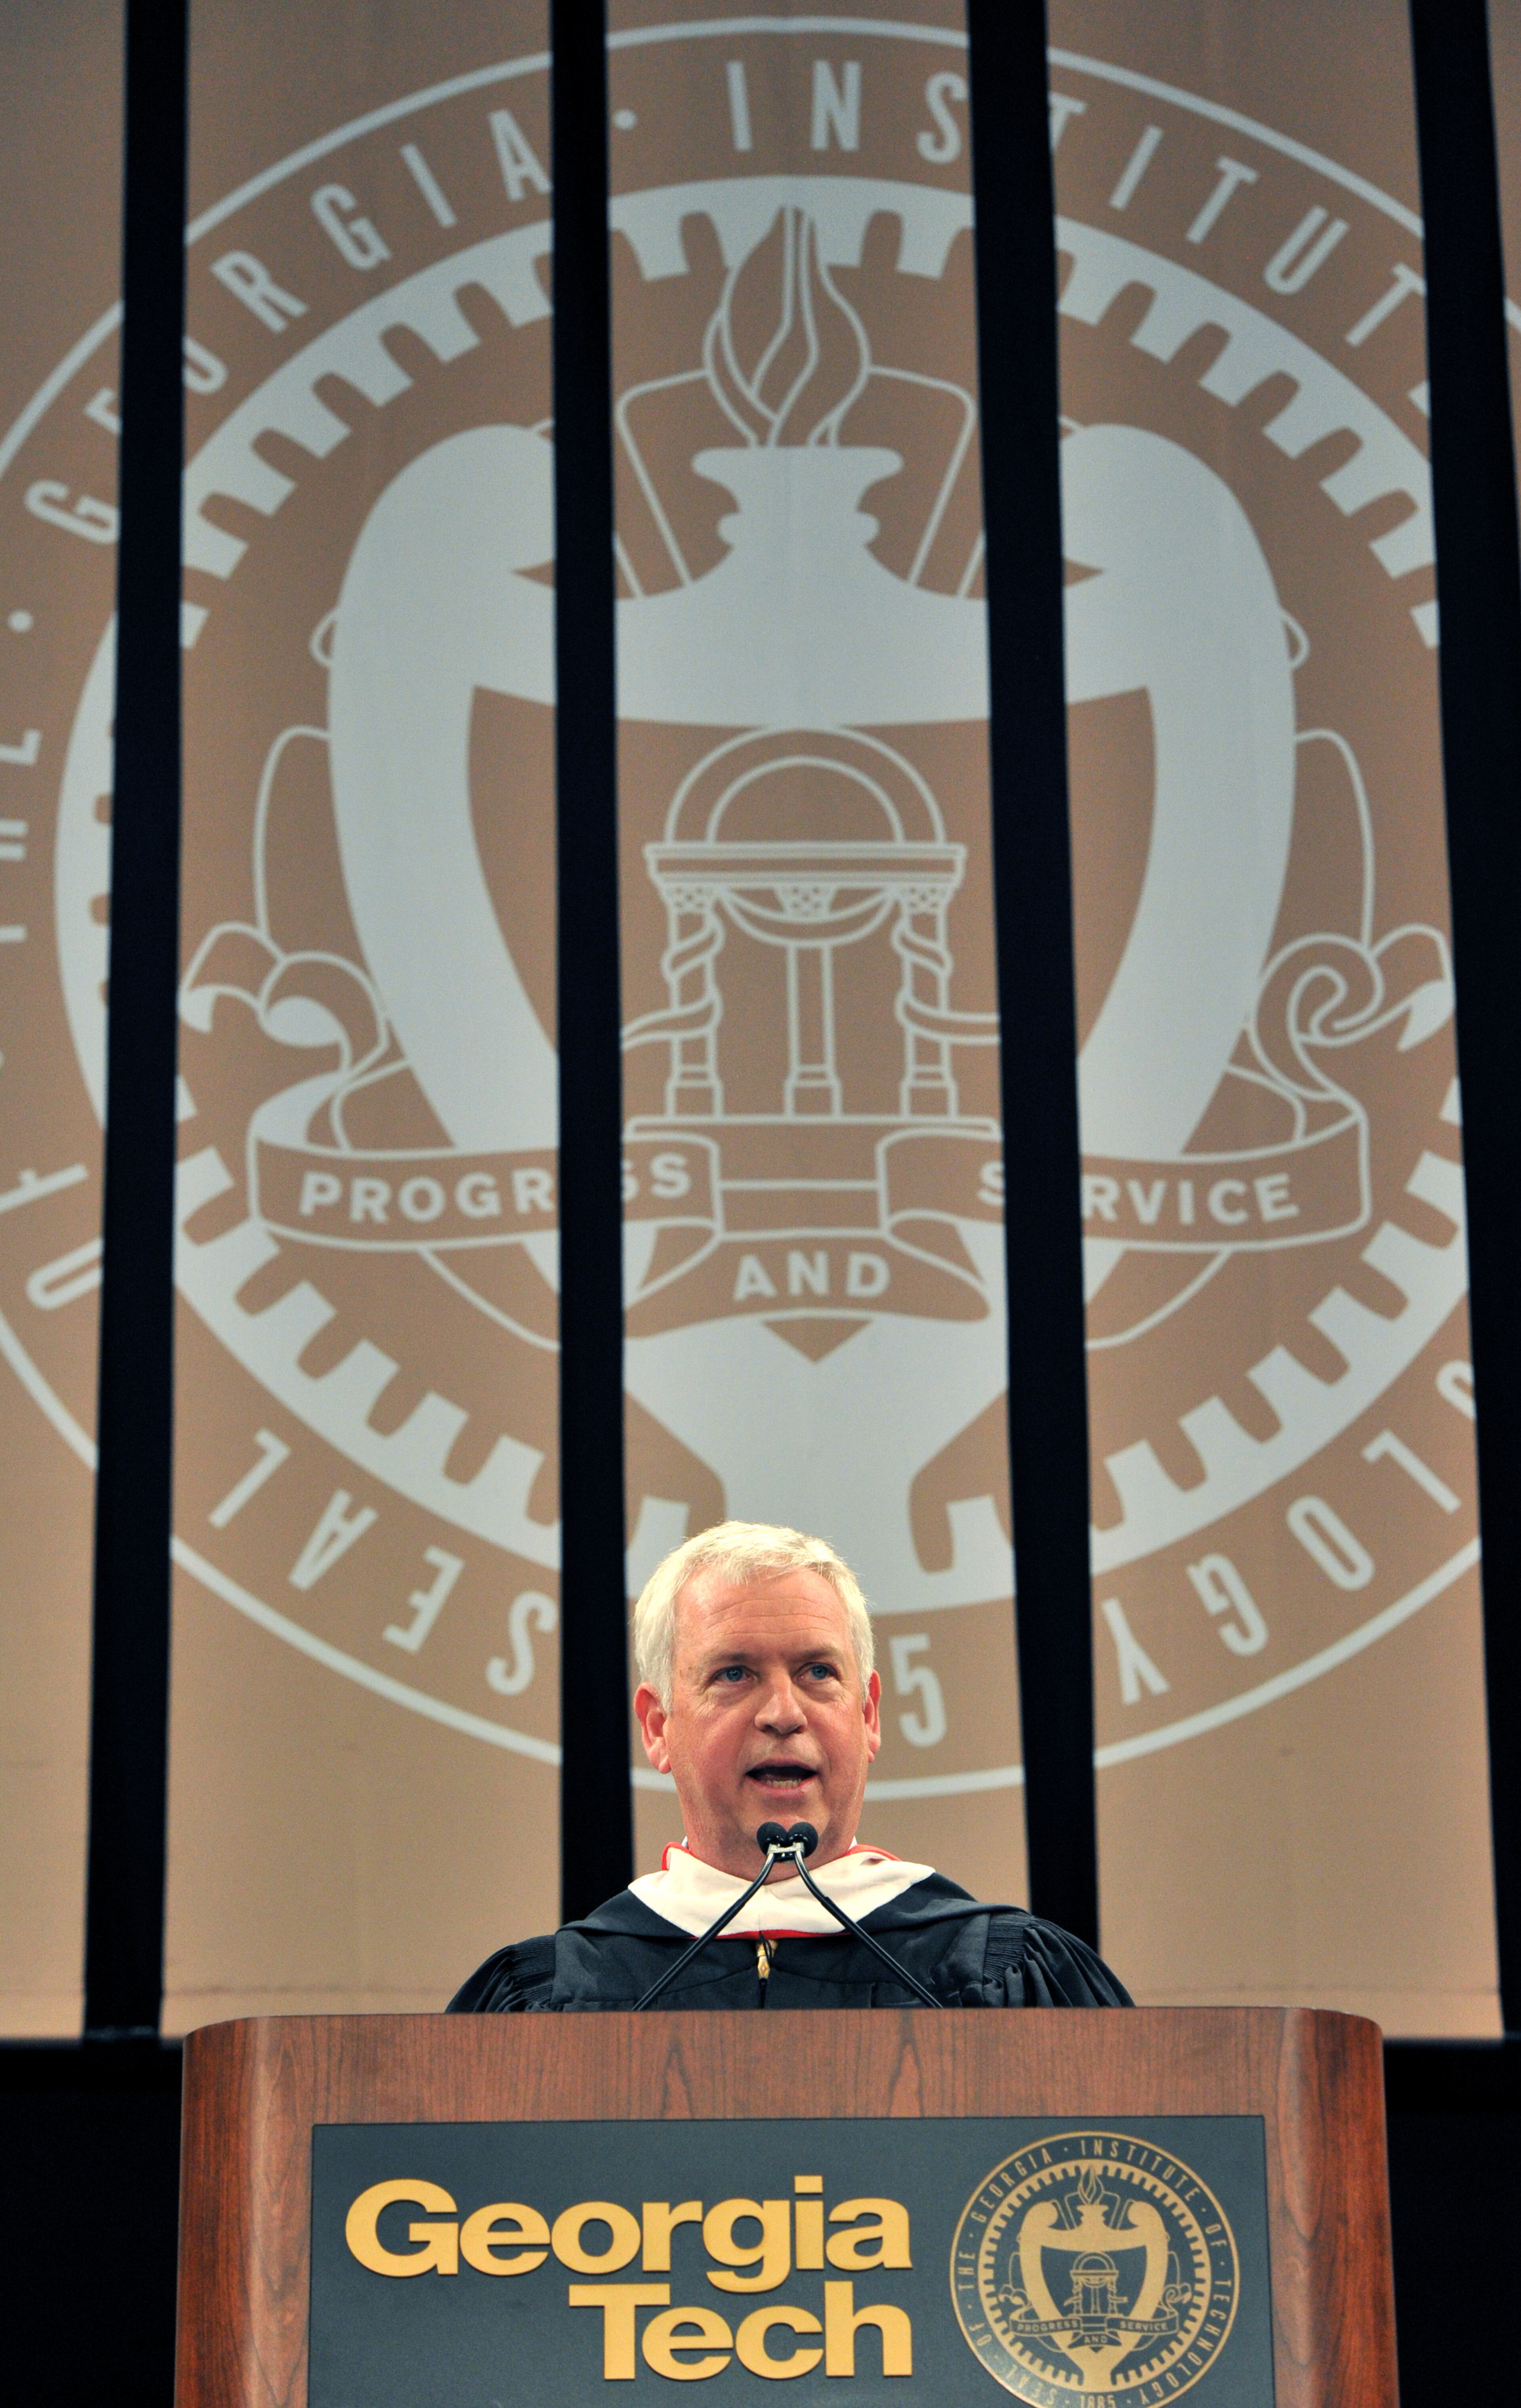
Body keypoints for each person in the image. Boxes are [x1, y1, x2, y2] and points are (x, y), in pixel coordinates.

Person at [450, 1520, 1130, 2012]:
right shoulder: (551, 1999)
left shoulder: (1009, 1980)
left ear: (868, 1715)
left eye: (817, 1672)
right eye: (734, 1673)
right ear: (659, 1728)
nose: (783, 1711)